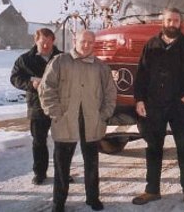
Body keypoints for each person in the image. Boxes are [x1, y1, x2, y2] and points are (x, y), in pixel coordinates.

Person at [132, 8, 184, 211]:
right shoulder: (151, 45)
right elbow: (141, 74)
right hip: (154, 105)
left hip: (178, 106)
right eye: (168, 20)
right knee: (153, 148)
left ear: (180, 23)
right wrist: (139, 100)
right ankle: (152, 190)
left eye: (175, 20)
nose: (172, 24)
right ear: (162, 22)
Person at [38, 30, 117, 212]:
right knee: (61, 164)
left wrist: (103, 115)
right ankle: (59, 202)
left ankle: (92, 198)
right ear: (75, 40)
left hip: (92, 121)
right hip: (65, 121)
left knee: (91, 162)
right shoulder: (60, 61)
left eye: (90, 42)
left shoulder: (100, 67)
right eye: (83, 41)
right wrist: (56, 113)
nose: (86, 45)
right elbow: (46, 88)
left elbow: (110, 93)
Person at [10, 28, 61, 185]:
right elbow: (15, 78)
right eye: (42, 42)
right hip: (37, 106)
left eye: (48, 42)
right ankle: (40, 173)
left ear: (53, 41)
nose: (45, 45)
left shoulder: (62, 58)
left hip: (60, 106)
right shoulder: (25, 60)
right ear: (36, 41)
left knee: (62, 142)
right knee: (39, 141)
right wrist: (30, 84)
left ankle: (62, 172)